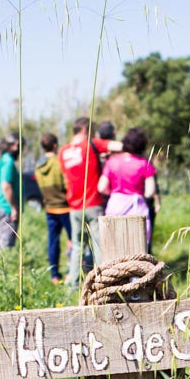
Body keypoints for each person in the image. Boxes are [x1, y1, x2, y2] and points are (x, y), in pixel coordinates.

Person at [60, 117, 122, 286]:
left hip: (74, 206)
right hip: (93, 203)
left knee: (77, 246)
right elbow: (120, 146)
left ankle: (73, 283)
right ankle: (104, 282)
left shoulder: (63, 151)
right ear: (86, 130)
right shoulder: (92, 144)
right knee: (99, 245)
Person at [99, 126, 157, 248]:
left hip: (115, 205)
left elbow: (101, 187)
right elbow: (150, 191)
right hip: (137, 207)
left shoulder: (112, 161)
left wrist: (114, 193)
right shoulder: (144, 163)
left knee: (115, 247)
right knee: (138, 248)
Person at [35, 133, 70, 283]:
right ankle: (72, 272)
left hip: (50, 208)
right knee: (74, 240)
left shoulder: (38, 166)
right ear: (55, 145)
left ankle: (54, 275)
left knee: (53, 242)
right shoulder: (58, 163)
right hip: (65, 208)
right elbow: (66, 184)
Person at [0, 134, 20, 250]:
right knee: (6, 244)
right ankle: (5, 266)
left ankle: (0, 265)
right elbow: (6, 185)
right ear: (15, 145)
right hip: (6, 206)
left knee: (1, 239)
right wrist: (13, 207)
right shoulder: (8, 161)